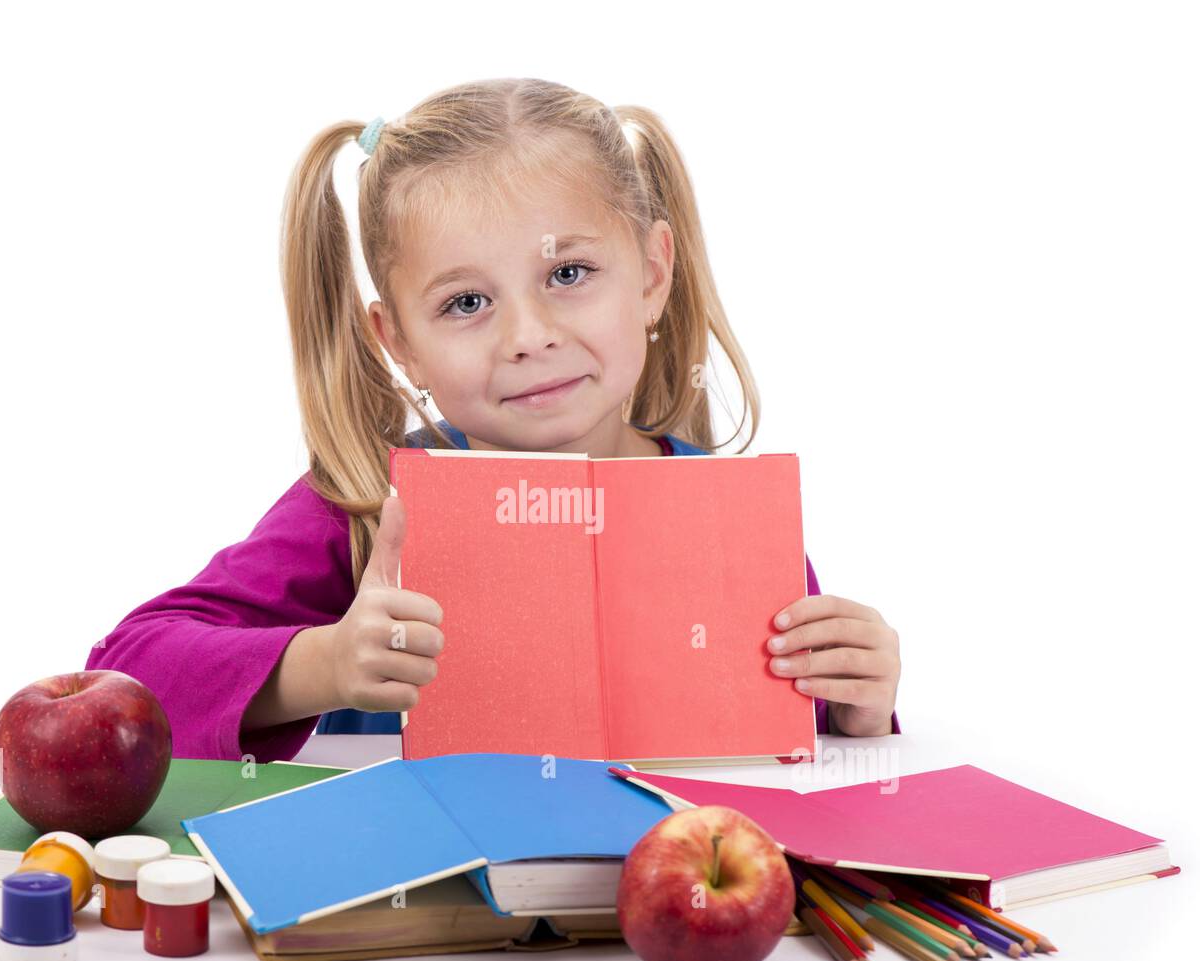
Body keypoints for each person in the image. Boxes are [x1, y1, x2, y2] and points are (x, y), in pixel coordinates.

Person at [85, 78, 901, 762]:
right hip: (437, 930)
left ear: (652, 276)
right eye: (467, 302)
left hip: (656, 913)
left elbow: (798, 735)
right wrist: (326, 663)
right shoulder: (368, 510)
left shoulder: (726, 516)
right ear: (397, 340)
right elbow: (126, 672)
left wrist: (860, 706)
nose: (528, 336)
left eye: (569, 272)